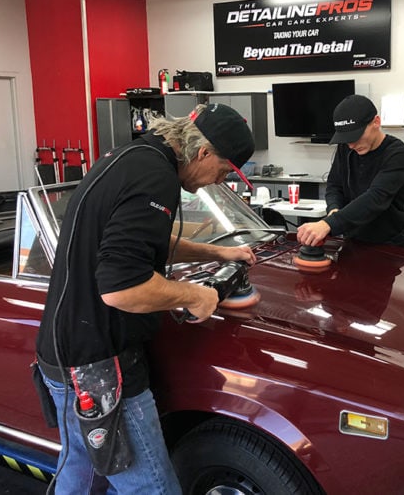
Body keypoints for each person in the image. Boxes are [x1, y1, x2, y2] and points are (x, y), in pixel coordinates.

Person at [35, 103, 257, 494]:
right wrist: (195, 295)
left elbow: (146, 241)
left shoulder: (135, 156)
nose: (216, 182)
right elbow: (121, 287)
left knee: (82, 473)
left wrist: (218, 253)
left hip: (66, 351)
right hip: (98, 365)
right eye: (222, 172)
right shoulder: (156, 177)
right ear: (203, 152)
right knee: (152, 487)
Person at [296, 94, 404, 251]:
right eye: (347, 139)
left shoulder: (397, 153)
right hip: (355, 240)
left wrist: (329, 223)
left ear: (376, 122)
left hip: (393, 243)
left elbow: (375, 198)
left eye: (357, 136)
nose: (352, 144)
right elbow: (334, 186)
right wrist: (334, 209)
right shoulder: (345, 148)